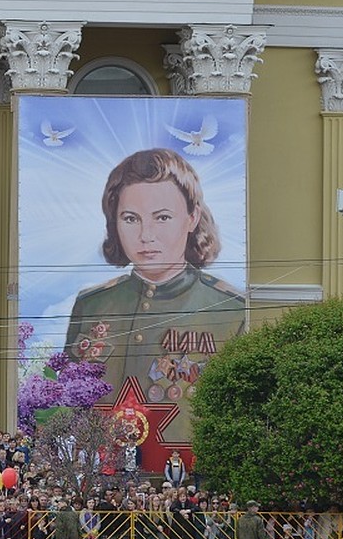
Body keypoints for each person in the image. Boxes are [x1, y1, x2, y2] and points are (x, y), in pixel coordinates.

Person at [65, 148, 243, 444]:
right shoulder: (92, 305)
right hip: (99, 476)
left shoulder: (230, 310)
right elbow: (70, 398)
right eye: (131, 219)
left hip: (184, 477)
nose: (146, 235)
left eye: (162, 217)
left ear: (192, 217)